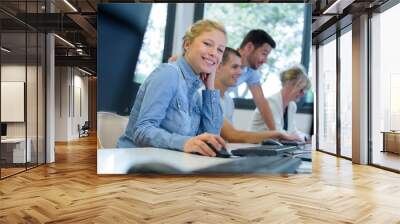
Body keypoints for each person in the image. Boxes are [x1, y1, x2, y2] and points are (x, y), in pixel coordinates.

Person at [117, 19, 227, 157]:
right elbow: (142, 131)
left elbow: (212, 140)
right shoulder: (168, 74)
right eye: (207, 44)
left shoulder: (196, 94)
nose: (214, 53)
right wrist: (185, 143)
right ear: (187, 44)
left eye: (220, 50)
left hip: (167, 163)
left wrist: (210, 88)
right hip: (134, 163)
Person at [215, 47, 302, 143]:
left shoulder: (228, 100)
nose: (241, 72)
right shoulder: (206, 96)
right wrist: (277, 133)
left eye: (241, 67)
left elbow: (229, 138)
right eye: (235, 67)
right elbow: (232, 135)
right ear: (218, 67)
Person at [250, 65, 311, 142]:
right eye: (301, 90)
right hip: (256, 147)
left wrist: (308, 137)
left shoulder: (292, 106)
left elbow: (292, 132)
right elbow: (279, 133)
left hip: (272, 147)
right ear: (289, 84)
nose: (302, 94)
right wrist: (297, 137)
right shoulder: (271, 102)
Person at [233, 29, 278, 131]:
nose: (265, 60)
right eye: (264, 53)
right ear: (249, 47)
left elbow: (261, 102)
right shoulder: (225, 60)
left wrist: (276, 133)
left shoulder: (250, 71)